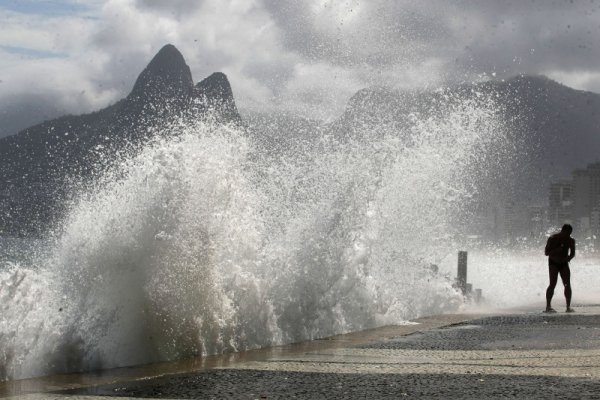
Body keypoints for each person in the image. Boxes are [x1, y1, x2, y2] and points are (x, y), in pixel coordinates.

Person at [544, 224, 576, 313]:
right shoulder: (552, 238)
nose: (568, 235)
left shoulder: (570, 240)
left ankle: (568, 307)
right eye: (567, 233)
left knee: (567, 284)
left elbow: (573, 253)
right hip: (553, 263)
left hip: (564, 263)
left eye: (570, 234)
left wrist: (568, 258)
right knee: (552, 284)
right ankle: (548, 306)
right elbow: (546, 253)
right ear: (563, 231)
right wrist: (556, 250)